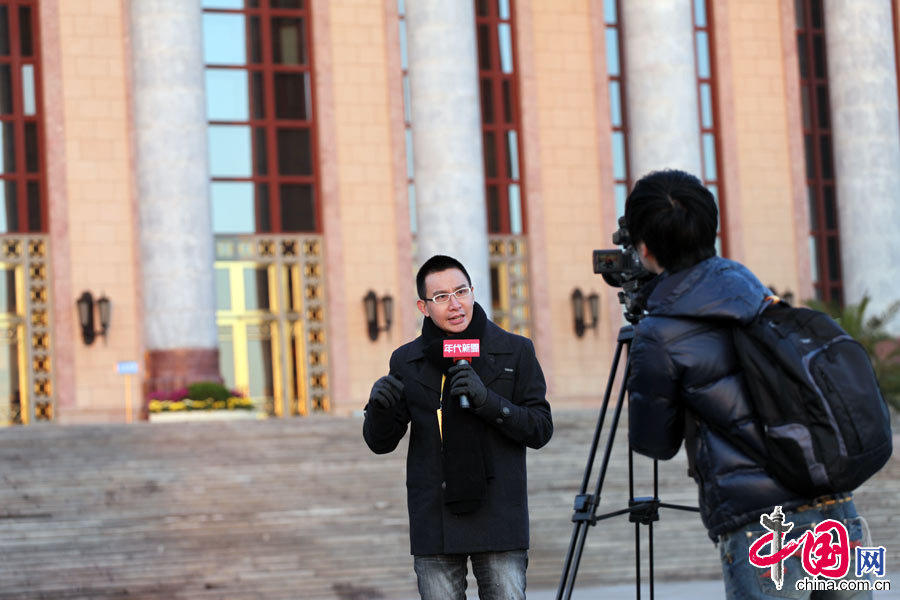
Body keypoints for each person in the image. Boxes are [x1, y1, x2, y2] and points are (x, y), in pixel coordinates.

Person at [624, 169, 872, 599]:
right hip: (837, 511)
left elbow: (654, 443)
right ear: (711, 230)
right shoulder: (759, 297)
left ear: (644, 248)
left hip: (763, 530)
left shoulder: (659, 333)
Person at [363, 254, 553, 600]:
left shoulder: (516, 351)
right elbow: (381, 442)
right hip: (435, 519)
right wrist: (378, 409)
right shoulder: (407, 360)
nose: (455, 304)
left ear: (473, 292)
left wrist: (487, 401)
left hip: (499, 517)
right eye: (441, 297)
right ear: (423, 306)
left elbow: (540, 428)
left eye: (461, 291)